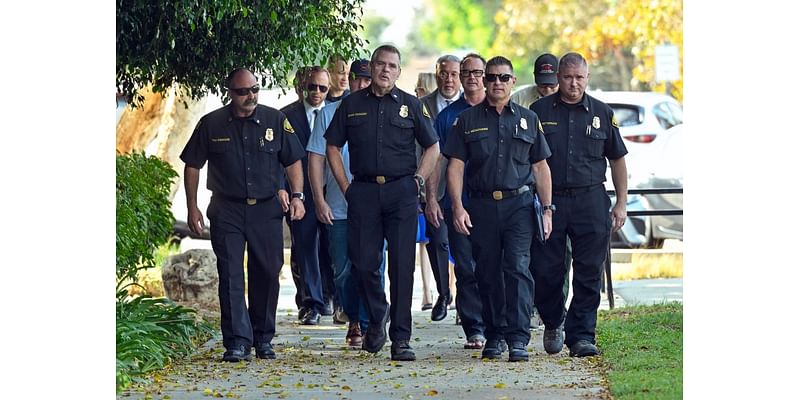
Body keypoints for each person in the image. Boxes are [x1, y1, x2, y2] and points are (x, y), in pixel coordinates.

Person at [180, 68, 306, 362]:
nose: (250, 96)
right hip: (227, 209)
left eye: (254, 89)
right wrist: (192, 206)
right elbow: (192, 165)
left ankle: (263, 338)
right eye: (243, 91)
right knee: (231, 275)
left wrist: (298, 196)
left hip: (266, 209)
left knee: (267, 272)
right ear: (230, 93)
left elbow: (293, 160)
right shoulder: (211, 124)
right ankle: (236, 341)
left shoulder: (275, 120)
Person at [325, 44, 440, 361]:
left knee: (402, 268)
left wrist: (418, 180)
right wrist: (346, 186)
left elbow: (432, 147)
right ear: (372, 68)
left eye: (392, 66)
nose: (385, 70)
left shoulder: (411, 105)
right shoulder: (351, 105)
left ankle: (401, 339)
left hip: (401, 192)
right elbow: (332, 146)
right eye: (380, 64)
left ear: (398, 71)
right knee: (362, 263)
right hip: (363, 192)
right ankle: (378, 315)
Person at [443, 56, 553, 362]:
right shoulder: (467, 120)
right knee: (487, 271)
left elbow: (541, 167)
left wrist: (547, 209)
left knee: (518, 268)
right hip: (481, 205)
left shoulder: (528, 119)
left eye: (504, 78)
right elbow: (455, 167)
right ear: (484, 80)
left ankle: (518, 338)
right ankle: (494, 334)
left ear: (513, 82)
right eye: (491, 77)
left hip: (519, 205)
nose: (497, 83)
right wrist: (457, 207)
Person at [530, 52, 628, 357]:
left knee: (588, 272)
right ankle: (553, 320)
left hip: (590, 199)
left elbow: (618, 160)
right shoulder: (538, 111)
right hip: (551, 201)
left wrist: (621, 203)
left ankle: (582, 335)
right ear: (558, 77)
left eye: (580, 78)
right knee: (546, 270)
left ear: (587, 77)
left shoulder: (602, 112)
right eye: (568, 77)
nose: (574, 84)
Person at [307, 58, 386, 347]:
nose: (362, 85)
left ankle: (367, 323)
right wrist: (318, 199)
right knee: (343, 269)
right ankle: (353, 313)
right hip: (339, 207)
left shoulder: (383, 110)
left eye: (367, 80)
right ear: (348, 81)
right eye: (358, 79)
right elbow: (316, 158)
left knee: (373, 266)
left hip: (376, 206)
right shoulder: (329, 114)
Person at [426, 53, 489, 349]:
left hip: (494, 205)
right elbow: (437, 160)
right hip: (456, 204)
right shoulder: (447, 117)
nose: (472, 77)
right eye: (467, 72)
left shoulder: (499, 110)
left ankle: (496, 324)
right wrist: (432, 199)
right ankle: (474, 327)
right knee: (465, 268)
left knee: (494, 266)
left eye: (478, 72)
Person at [280, 67, 331, 326]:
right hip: (301, 193)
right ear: (304, 86)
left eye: (323, 88)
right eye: (313, 87)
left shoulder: (336, 112)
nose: (317, 93)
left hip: (331, 190)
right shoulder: (286, 116)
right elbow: (280, 159)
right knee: (305, 248)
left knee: (331, 246)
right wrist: (285, 191)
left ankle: (330, 295)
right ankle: (311, 303)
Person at [419, 54, 461, 322]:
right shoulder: (422, 106)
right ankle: (443, 292)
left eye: (454, 74)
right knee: (438, 241)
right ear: (436, 75)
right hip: (432, 187)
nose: (448, 79)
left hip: (463, 188)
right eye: (443, 73)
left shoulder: (470, 107)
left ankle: (464, 299)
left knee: (463, 245)